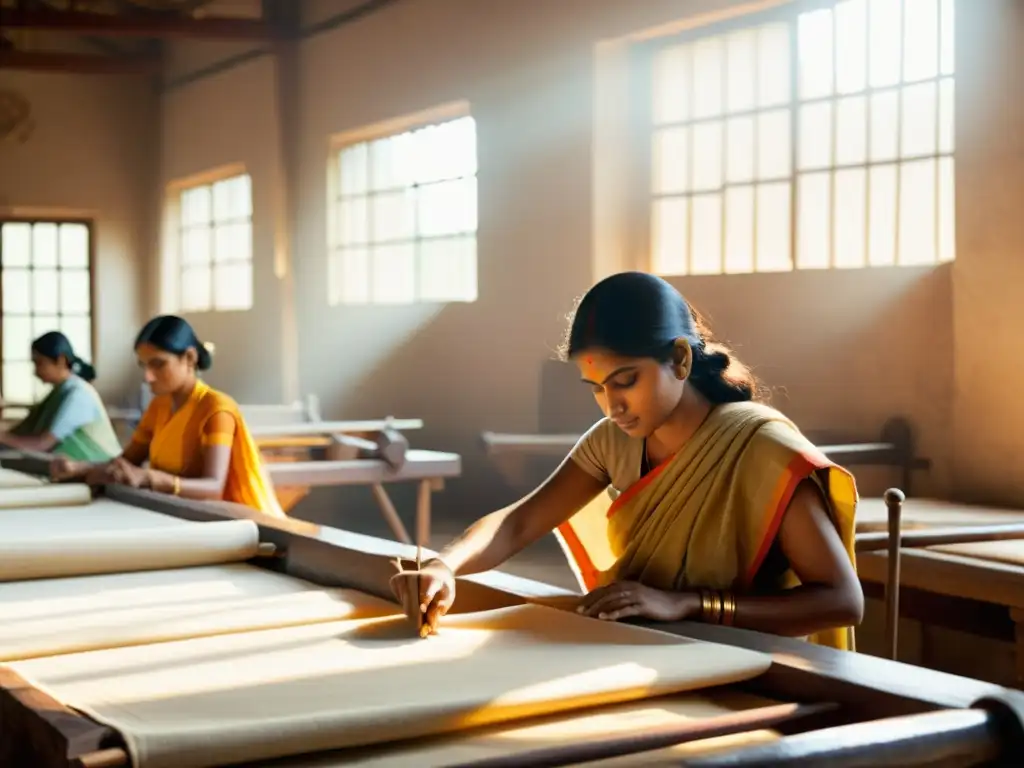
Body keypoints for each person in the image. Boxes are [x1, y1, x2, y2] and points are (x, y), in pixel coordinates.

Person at [393, 272, 863, 650]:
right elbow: (519, 522)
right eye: (597, 388)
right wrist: (445, 565)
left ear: (680, 359)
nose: (611, 405)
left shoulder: (761, 448)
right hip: (645, 649)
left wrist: (687, 604)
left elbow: (842, 601)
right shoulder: (612, 442)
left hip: (749, 662)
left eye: (626, 380)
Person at [50, 315, 284, 517]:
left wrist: (150, 478)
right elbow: (126, 463)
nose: (148, 377)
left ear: (189, 358)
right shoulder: (159, 406)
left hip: (224, 523)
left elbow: (213, 487)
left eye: (158, 365)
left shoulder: (216, 409)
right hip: (174, 514)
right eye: (143, 366)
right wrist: (80, 468)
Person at [0, 332, 120, 461]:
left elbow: (42, 444)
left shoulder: (78, 394)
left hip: (103, 471)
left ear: (61, 360)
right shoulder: (58, 392)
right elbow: (21, 431)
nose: (35, 372)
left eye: (39, 363)